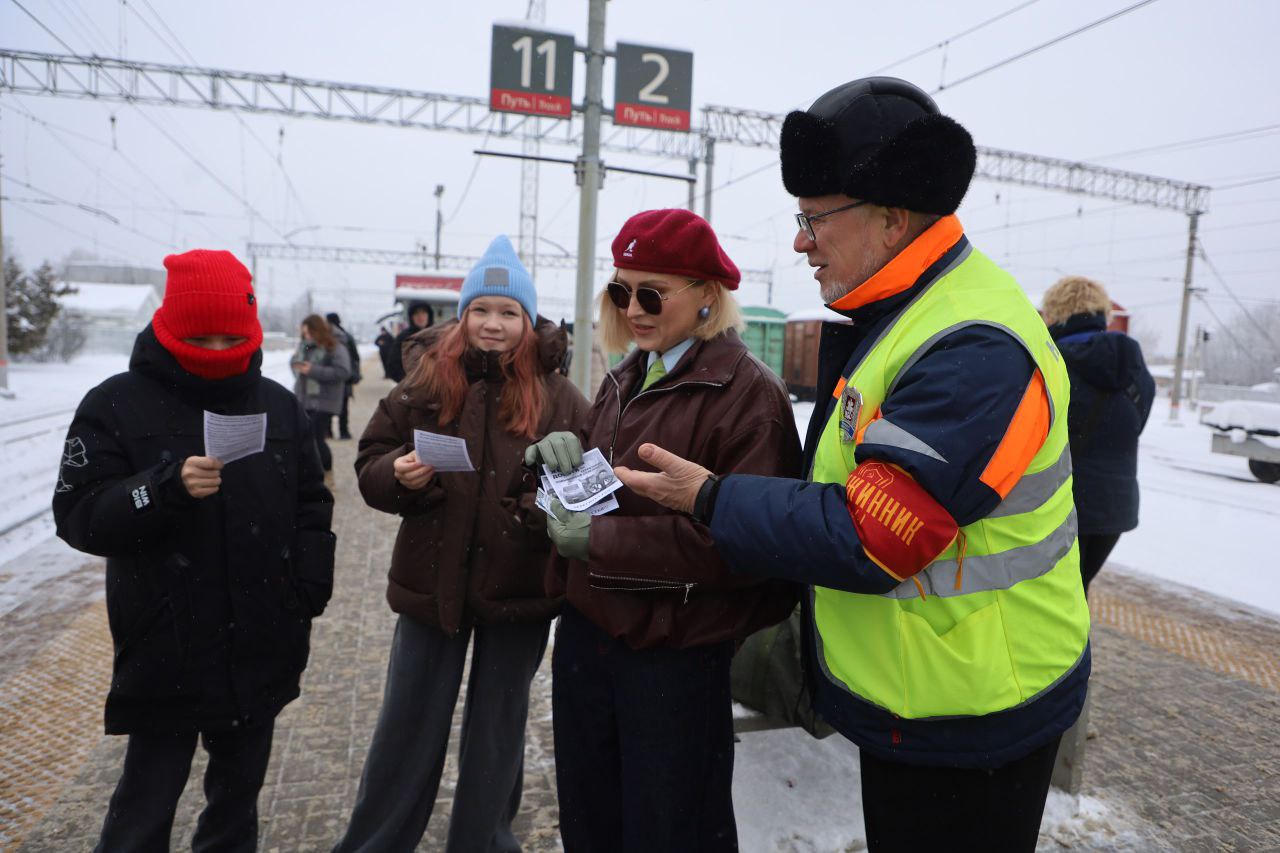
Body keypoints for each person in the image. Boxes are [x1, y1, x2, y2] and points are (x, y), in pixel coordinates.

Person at [615, 79, 1090, 852]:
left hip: (974, 710)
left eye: (814, 219)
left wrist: (710, 497)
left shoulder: (972, 345)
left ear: (892, 218)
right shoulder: (910, 312)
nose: (800, 243)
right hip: (927, 685)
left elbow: (876, 535)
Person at [527, 209, 801, 852]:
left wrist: (601, 543)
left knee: (672, 829)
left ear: (707, 294)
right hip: (590, 640)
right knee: (590, 821)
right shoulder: (626, 375)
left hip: (673, 657)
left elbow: (747, 549)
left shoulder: (748, 397)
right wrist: (556, 466)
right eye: (621, 292)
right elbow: (605, 489)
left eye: (651, 294)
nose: (633, 310)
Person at [51, 249, 336, 852]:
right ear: (170, 327)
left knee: (236, 803)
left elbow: (312, 503)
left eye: (230, 337)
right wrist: (162, 489)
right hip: (166, 643)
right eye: (200, 337)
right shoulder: (115, 403)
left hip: (261, 638)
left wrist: (307, 591)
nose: (216, 351)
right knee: (144, 807)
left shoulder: (278, 404)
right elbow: (79, 516)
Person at [333, 235, 589, 852]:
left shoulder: (559, 395)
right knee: (406, 729)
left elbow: (583, 482)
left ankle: (484, 842)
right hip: (430, 584)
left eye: (508, 312)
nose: (493, 324)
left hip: (519, 588)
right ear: (464, 314)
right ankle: (375, 845)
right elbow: (369, 460)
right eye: (481, 310)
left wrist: (531, 511)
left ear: (528, 320)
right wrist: (398, 475)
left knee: (497, 734)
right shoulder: (426, 378)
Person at [1042, 276, 1154, 594]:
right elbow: (1136, 424)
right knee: (1077, 590)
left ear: (1055, 313)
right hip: (1115, 508)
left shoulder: (1053, 362)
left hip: (1061, 504)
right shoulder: (1134, 366)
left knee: (1054, 598)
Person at [292, 314, 351, 479]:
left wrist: (312, 370)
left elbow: (343, 371)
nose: (306, 336)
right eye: (304, 333)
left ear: (317, 330)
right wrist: (296, 364)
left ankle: (326, 475)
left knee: (316, 439)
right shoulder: (305, 345)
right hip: (305, 399)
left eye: (309, 333)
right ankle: (314, 475)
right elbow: (295, 360)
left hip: (325, 401)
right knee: (307, 440)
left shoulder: (335, 346)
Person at [325, 311, 363, 440]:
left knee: (328, 405)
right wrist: (355, 374)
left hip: (330, 377)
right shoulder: (347, 336)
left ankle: (328, 431)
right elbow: (355, 357)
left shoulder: (324, 337)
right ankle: (344, 432)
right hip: (345, 377)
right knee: (343, 406)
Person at [384, 300, 434, 382]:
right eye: (416, 313)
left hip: (435, 386)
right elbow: (392, 365)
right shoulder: (404, 338)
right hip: (411, 386)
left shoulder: (437, 336)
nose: (420, 316)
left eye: (424, 312)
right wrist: (408, 381)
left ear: (429, 315)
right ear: (411, 317)